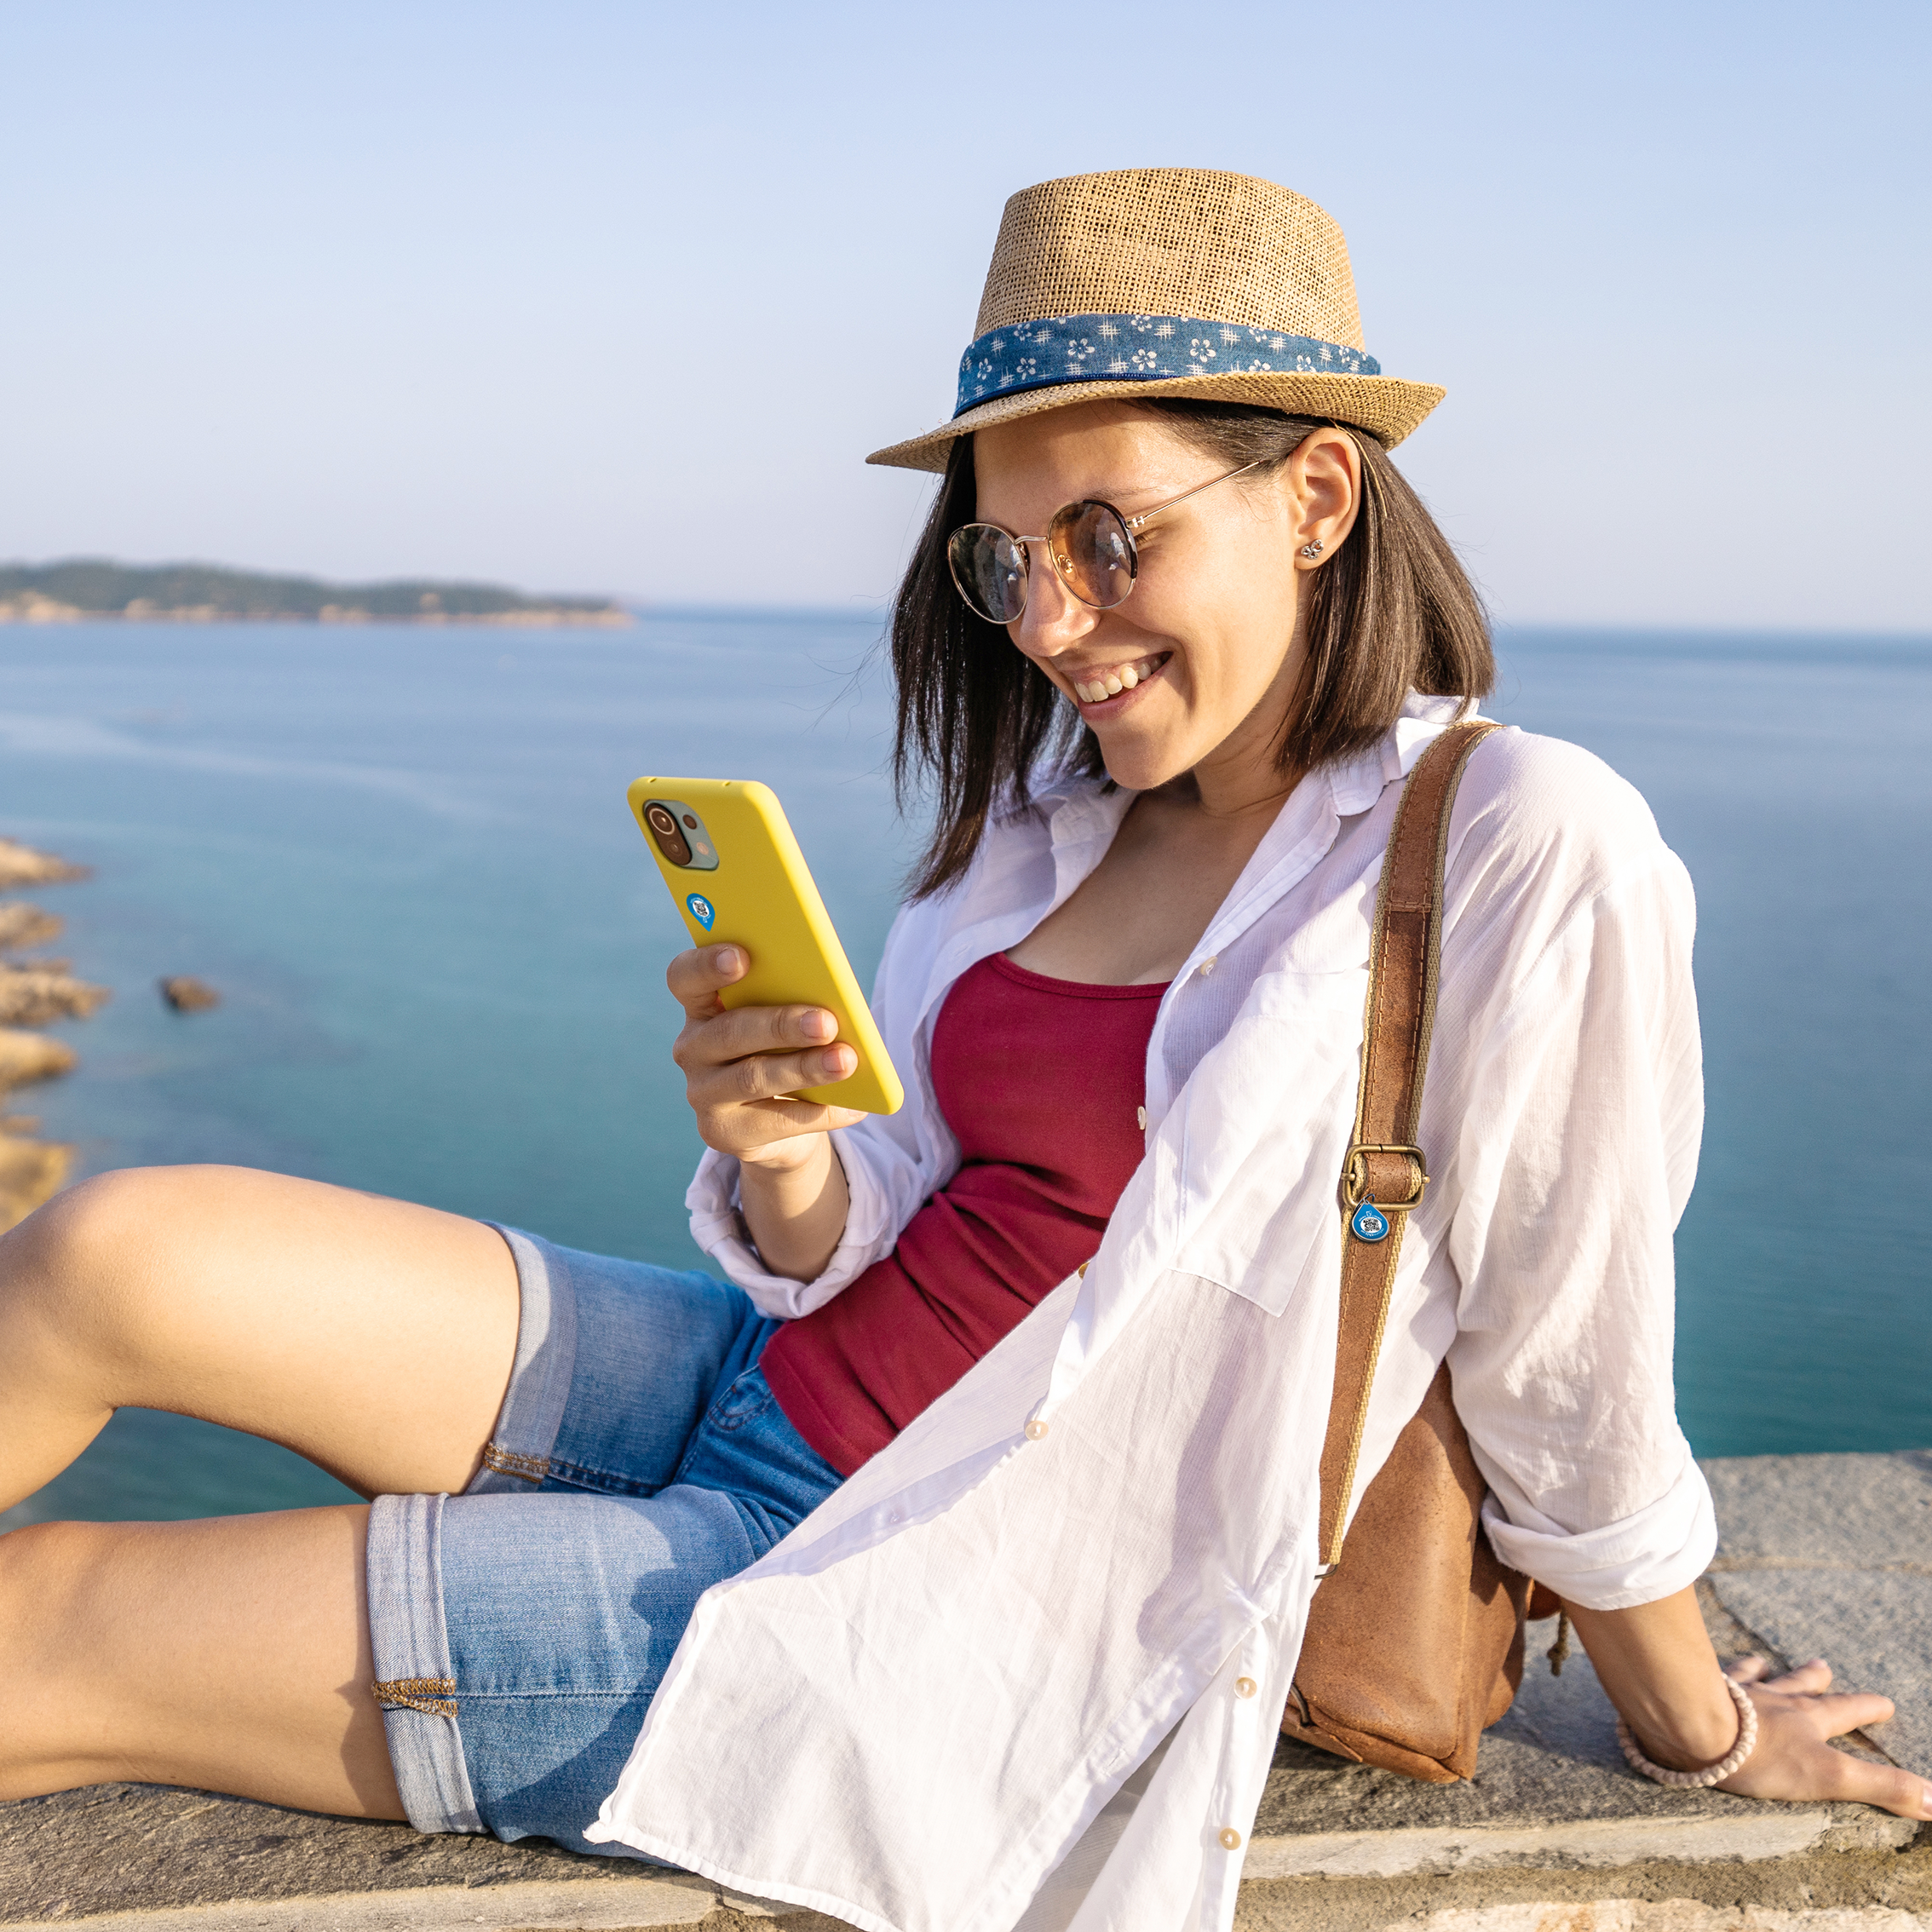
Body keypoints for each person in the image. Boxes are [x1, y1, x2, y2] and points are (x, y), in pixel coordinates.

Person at [1, 169, 1923, 1932]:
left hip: (892, 1597)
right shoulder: (1052, 820)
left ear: (1319, 499)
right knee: (112, 1249)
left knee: (43, 1640)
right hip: (769, 1376)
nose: (1053, 621)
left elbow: (1565, 1344)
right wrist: (786, 1159)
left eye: (1108, 536)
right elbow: (933, 1210)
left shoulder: (1517, 841)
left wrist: (1697, 1727)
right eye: (1007, 562)